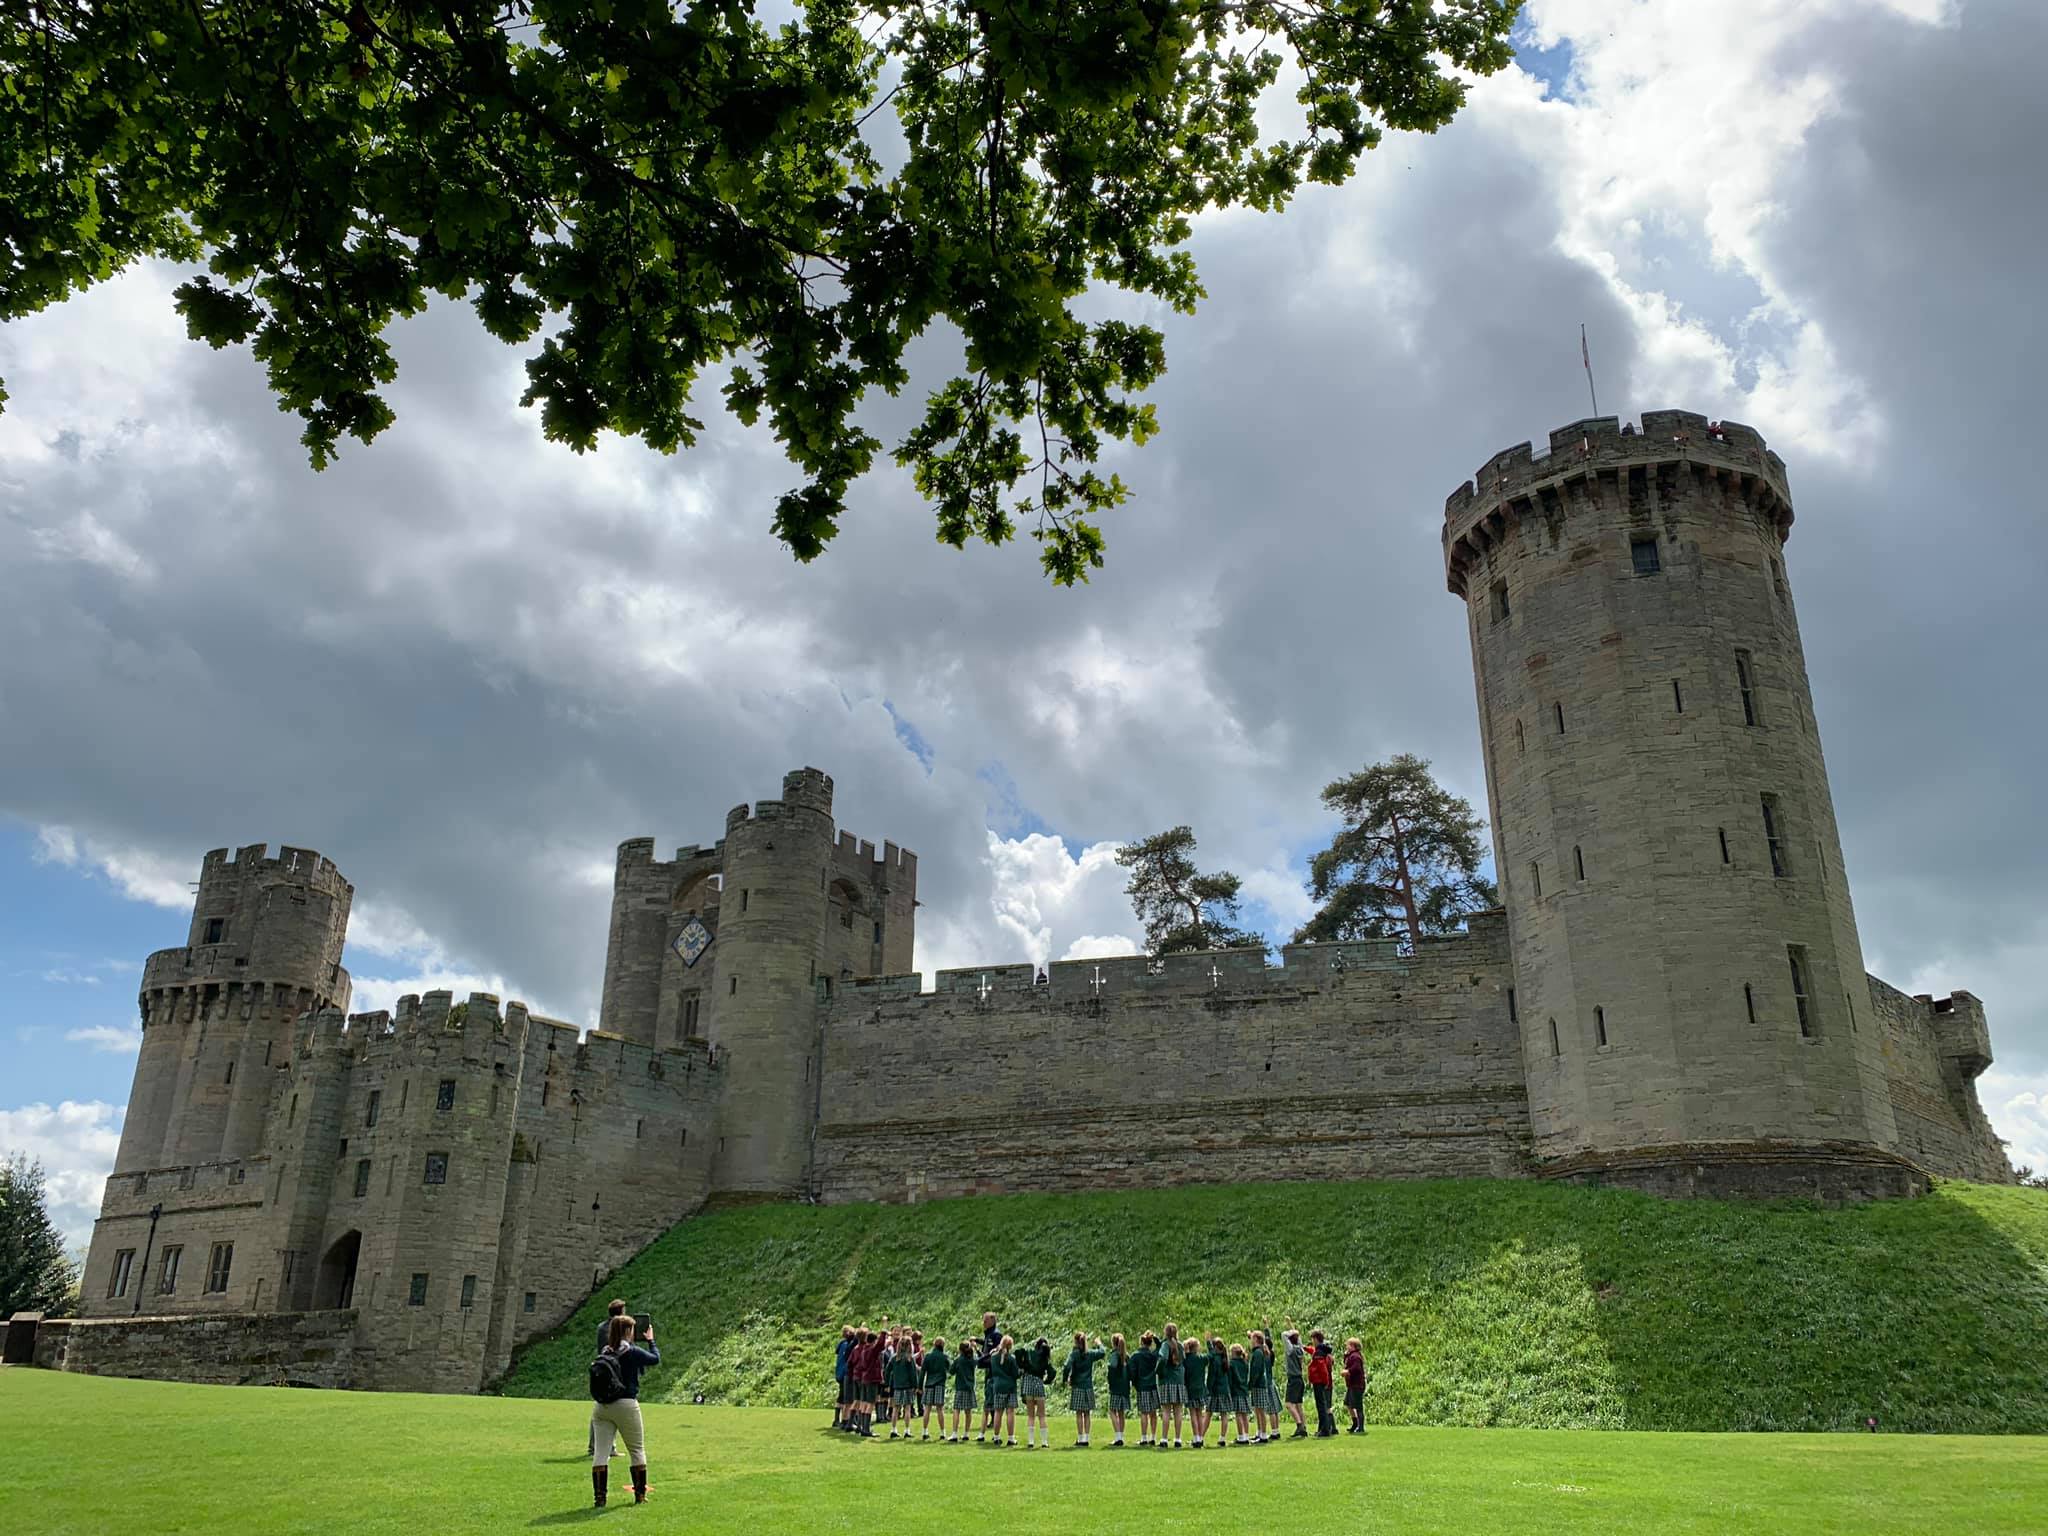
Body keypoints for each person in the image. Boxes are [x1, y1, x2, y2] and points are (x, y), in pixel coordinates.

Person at [589, 1314, 660, 1507]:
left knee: (600, 1453)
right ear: (628, 1332)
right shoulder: (632, 1351)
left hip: (601, 1407)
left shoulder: (605, 1351)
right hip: (626, 1404)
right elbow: (655, 1359)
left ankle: (600, 1498)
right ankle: (639, 1495)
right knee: (636, 1450)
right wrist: (651, 1340)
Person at [1061, 1331, 1106, 1447]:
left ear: (1075, 1341)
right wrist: (1099, 1343)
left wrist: (1065, 1379)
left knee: (1078, 1413)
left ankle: (1080, 1437)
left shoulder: (1074, 1354)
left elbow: (1067, 1366)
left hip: (1077, 1386)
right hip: (1088, 1386)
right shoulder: (1090, 1353)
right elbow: (1102, 1352)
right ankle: (1086, 1438)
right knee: (1087, 1413)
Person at [1272, 1322, 1308, 1439]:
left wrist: (1291, 1331)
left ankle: (1299, 1426)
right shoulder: (1300, 1350)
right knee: (1298, 1405)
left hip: (1293, 1379)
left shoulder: (1291, 1350)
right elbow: (1299, 1339)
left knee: (1289, 1404)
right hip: (1300, 1379)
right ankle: (1304, 1426)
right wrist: (1292, 1327)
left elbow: (1283, 1335)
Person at [1018, 1336, 1054, 1448]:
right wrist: (1046, 1381)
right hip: (1039, 1383)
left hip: (1028, 1383)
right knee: (1042, 1416)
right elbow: (1052, 1372)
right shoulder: (1045, 1358)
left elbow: (1019, 1353)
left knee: (1030, 1415)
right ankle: (1044, 1442)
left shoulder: (1029, 1353)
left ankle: (1031, 1441)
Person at [1156, 1324, 1187, 1448]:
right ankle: (1178, 1439)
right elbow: (1183, 1359)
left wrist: (1159, 1371)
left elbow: (1162, 1359)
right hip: (1179, 1381)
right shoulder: (1180, 1346)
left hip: (1167, 1380)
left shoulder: (1165, 1345)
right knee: (1178, 1411)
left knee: (1166, 1411)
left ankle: (1164, 1439)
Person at [1247, 1330, 1280, 1444]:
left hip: (1259, 1385)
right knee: (1258, 1410)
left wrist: (1250, 1384)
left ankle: (1263, 1435)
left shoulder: (1258, 1353)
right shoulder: (1261, 1351)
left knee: (1260, 1411)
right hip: (1261, 1384)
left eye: (1252, 1339)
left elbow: (1255, 1371)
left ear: (1256, 1340)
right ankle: (1261, 1433)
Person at [987, 1335, 1020, 1445]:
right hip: (1010, 1387)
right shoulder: (1011, 1358)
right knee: (1010, 1412)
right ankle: (1011, 1438)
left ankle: (996, 1437)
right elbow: (1015, 1374)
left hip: (998, 1386)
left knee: (998, 1412)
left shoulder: (993, 1357)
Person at [886, 1332, 920, 1438]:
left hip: (897, 1386)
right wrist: (916, 1386)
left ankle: (894, 1429)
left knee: (896, 1408)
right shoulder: (910, 1359)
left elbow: (887, 1371)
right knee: (907, 1408)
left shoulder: (894, 1358)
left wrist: (887, 1383)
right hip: (908, 1387)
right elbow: (913, 1374)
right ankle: (906, 1430)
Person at [1130, 1331, 1161, 1447]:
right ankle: (1153, 1436)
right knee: (1153, 1412)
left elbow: (1132, 1372)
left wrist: (1134, 1383)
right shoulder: (1153, 1355)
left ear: (1142, 1342)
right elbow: (1160, 1345)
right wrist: (1155, 1337)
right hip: (1152, 1385)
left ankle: (1143, 1437)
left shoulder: (1135, 1355)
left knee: (1144, 1413)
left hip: (1142, 1386)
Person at [1104, 1333, 1132, 1448]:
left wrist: (1110, 1381)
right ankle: (1121, 1435)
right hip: (1125, 1387)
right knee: (1121, 1413)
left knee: (1112, 1411)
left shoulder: (1114, 1355)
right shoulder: (1126, 1356)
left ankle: (1117, 1437)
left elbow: (1112, 1370)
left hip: (1115, 1387)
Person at [1307, 1330, 1337, 1438]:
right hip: (1320, 1382)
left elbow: (1322, 1369)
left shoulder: (1319, 1353)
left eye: (1312, 1339)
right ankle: (1323, 1429)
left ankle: (1325, 1430)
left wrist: (1325, 1382)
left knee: (1321, 1407)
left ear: (1316, 1339)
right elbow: (1312, 1351)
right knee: (1322, 1406)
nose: (1312, 1341)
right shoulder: (1321, 1351)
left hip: (1319, 1382)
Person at [920, 1336, 950, 1440]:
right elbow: (949, 1369)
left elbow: (922, 1372)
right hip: (939, 1385)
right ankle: (942, 1432)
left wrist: (920, 1386)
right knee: (939, 1409)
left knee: (927, 1409)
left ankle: (924, 1431)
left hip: (929, 1385)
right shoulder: (944, 1357)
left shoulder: (928, 1356)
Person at [949, 1338, 979, 1442]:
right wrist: (977, 1349)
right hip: (969, 1388)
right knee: (968, 1411)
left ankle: (954, 1433)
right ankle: (966, 1433)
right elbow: (980, 1360)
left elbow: (951, 1371)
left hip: (960, 1387)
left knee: (957, 1410)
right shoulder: (972, 1360)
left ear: (960, 1350)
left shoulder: (958, 1360)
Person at [1203, 1335, 1231, 1447]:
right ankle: (1222, 1438)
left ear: (1215, 1348)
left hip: (1215, 1391)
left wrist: (1207, 1389)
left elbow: (1211, 1377)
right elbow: (1212, 1351)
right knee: (1224, 1415)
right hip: (1225, 1390)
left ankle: (1200, 1436)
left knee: (1208, 1414)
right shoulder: (1225, 1359)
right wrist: (1208, 1342)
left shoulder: (1214, 1361)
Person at [1227, 1343, 1253, 1445]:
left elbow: (1230, 1379)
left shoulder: (1231, 1364)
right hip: (1244, 1390)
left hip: (1236, 1391)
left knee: (1238, 1414)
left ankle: (1241, 1436)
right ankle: (1246, 1435)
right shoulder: (1245, 1362)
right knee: (1245, 1414)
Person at [1342, 1339, 1368, 1435]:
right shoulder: (1351, 1356)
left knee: (1358, 1406)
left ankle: (1360, 1427)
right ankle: (1355, 1423)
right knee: (1348, 1404)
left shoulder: (1356, 1356)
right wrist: (1345, 1355)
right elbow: (1346, 1362)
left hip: (1357, 1385)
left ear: (1353, 1346)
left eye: (1348, 1345)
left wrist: (1347, 1371)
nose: (1346, 1347)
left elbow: (1356, 1368)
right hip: (1351, 1385)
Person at [834, 1323, 857, 1430]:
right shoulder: (848, 1344)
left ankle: (838, 1419)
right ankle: (844, 1420)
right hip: (845, 1373)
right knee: (845, 1398)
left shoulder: (842, 1344)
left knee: (842, 1397)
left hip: (840, 1372)